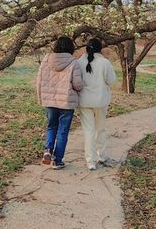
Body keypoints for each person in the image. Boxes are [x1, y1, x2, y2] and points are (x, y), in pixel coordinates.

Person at [36, 36, 83, 169]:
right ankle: (57, 160)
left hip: (50, 102)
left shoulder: (46, 59)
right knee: (62, 131)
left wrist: (41, 98)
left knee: (51, 126)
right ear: (71, 48)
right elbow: (77, 85)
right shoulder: (74, 62)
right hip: (66, 103)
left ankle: (48, 150)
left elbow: (39, 81)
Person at [77, 38, 117, 171]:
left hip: (84, 102)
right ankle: (102, 155)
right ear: (101, 49)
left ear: (86, 48)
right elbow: (111, 80)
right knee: (100, 129)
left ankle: (90, 161)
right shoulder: (104, 63)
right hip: (100, 101)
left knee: (88, 131)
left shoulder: (79, 62)